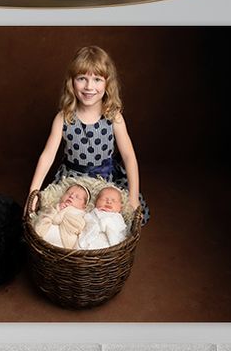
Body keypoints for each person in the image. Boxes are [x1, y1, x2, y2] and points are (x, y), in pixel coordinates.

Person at [26, 45, 147, 224]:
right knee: (63, 217)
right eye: (82, 78)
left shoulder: (113, 117)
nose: (89, 87)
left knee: (111, 217)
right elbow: (47, 156)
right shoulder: (63, 117)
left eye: (97, 79)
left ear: (107, 84)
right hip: (72, 183)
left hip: (106, 180)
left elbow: (129, 156)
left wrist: (134, 196)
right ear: (72, 82)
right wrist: (33, 193)